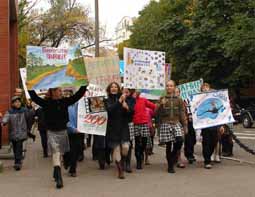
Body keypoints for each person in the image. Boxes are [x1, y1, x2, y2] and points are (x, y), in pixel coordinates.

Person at [28, 86, 86, 189]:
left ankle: (56, 172)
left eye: (60, 90)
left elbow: (78, 96)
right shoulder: (46, 103)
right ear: (53, 92)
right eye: (59, 90)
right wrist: (29, 86)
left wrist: (84, 85)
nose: (61, 92)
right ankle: (59, 178)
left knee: (61, 154)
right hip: (52, 133)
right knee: (56, 153)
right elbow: (35, 97)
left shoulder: (65, 101)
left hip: (63, 132)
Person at [157, 80, 187, 173]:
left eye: (171, 86)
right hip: (165, 124)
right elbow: (157, 113)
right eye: (167, 86)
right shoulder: (162, 98)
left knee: (180, 140)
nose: (169, 87)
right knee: (168, 145)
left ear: (174, 87)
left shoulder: (179, 100)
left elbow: (182, 113)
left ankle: (174, 156)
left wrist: (185, 125)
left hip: (176, 122)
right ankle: (170, 165)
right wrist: (161, 105)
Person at [1, 96, 35, 171]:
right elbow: (5, 118)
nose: (18, 103)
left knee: (19, 147)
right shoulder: (9, 111)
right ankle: (17, 160)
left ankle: (17, 163)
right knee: (15, 148)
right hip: (13, 133)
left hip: (22, 132)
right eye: (16, 102)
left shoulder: (24, 110)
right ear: (13, 103)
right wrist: (3, 122)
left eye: (19, 102)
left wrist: (31, 108)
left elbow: (30, 116)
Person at [105, 82, 130, 179]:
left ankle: (122, 161)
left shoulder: (124, 98)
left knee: (125, 147)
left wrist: (127, 108)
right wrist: (119, 101)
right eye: (112, 87)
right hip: (112, 128)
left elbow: (130, 114)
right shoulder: (106, 100)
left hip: (123, 127)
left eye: (116, 87)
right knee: (116, 149)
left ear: (118, 89)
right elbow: (110, 110)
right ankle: (120, 170)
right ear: (109, 89)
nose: (114, 88)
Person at [200, 83, 225, 169]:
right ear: (201, 90)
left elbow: (219, 113)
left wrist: (221, 125)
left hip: (214, 125)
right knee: (206, 143)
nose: (205, 88)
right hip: (205, 126)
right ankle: (207, 161)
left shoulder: (213, 99)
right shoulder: (199, 100)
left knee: (214, 142)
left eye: (207, 87)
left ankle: (209, 156)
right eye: (204, 87)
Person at [133, 91, 156, 170]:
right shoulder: (130, 101)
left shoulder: (143, 100)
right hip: (135, 124)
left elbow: (153, 106)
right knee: (137, 143)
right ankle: (138, 161)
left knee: (144, 142)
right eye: (134, 91)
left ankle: (141, 153)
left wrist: (160, 104)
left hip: (144, 123)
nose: (136, 93)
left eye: (137, 91)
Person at [63, 101, 84, 177]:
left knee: (75, 151)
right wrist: (72, 129)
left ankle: (73, 169)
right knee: (67, 151)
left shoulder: (81, 105)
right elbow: (64, 120)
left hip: (78, 132)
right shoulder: (64, 106)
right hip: (66, 132)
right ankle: (66, 161)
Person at [122, 88, 136, 173]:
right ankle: (122, 162)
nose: (126, 90)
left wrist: (127, 107)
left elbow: (132, 111)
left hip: (129, 123)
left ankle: (128, 163)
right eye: (124, 89)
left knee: (129, 144)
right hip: (119, 124)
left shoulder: (132, 100)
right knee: (121, 144)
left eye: (128, 89)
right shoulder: (118, 98)